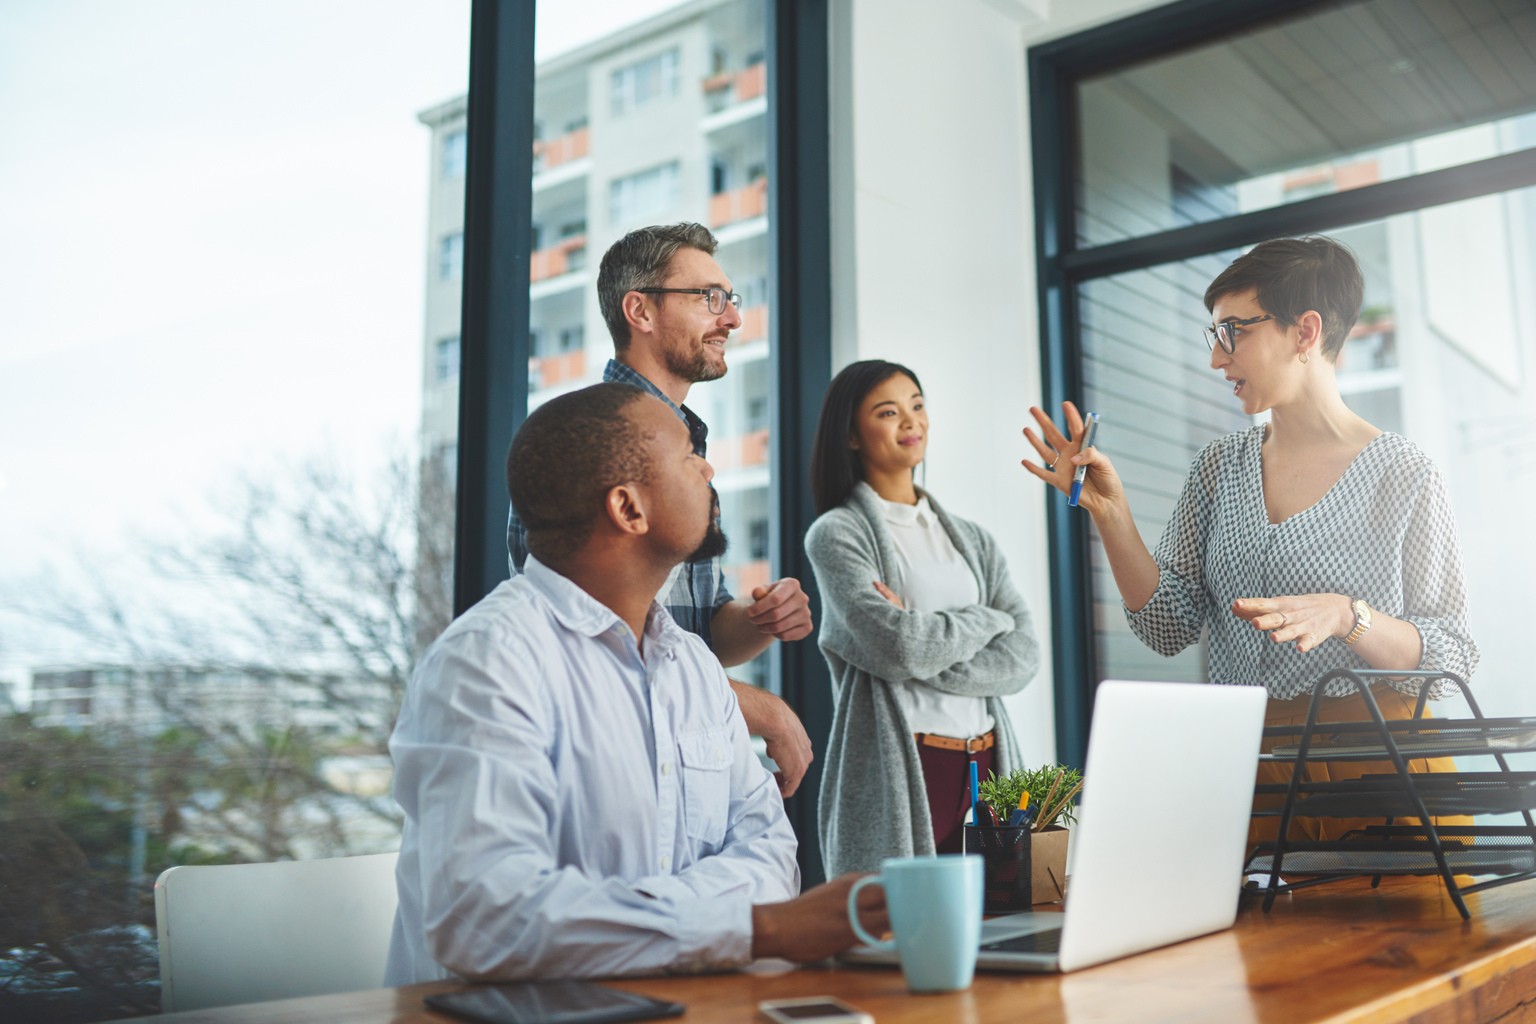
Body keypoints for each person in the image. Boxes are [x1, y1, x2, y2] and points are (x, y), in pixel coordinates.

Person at [386, 383, 886, 983]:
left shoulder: (693, 665)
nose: (707, 467)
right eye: (686, 456)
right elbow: (488, 919)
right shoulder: (486, 662)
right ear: (629, 509)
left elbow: (772, 855)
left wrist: (634, 920)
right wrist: (758, 930)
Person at [1021, 235, 1478, 846]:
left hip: (1379, 769)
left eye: (1234, 331)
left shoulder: (1404, 471)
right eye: (1214, 335)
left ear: (1305, 332)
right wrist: (1111, 513)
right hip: (1246, 770)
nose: (1217, 358)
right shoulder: (1219, 467)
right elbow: (1166, 627)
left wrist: (1349, 616)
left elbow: (1454, 654)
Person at [507, 222, 815, 798]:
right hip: (613, 771)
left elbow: (701, 632)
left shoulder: (690, 449)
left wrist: (758, 621)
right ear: (640, 311)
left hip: (686, 757)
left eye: (732, 299)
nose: (732, 319)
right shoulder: (581, 442)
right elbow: (591, 648)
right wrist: (756, 707)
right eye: (709, 298)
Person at [803, 360, 1041, 877]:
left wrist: (922, 635)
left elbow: (1023, 658)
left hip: (988, 761)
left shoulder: (973, 539)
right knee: (905, 938)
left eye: (917, 405)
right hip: (907, 763)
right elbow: (900, 649)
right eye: (889, 412)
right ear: (850, 435)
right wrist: (987, 620)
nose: (911, 421)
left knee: (1004, 933)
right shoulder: (837, 534)